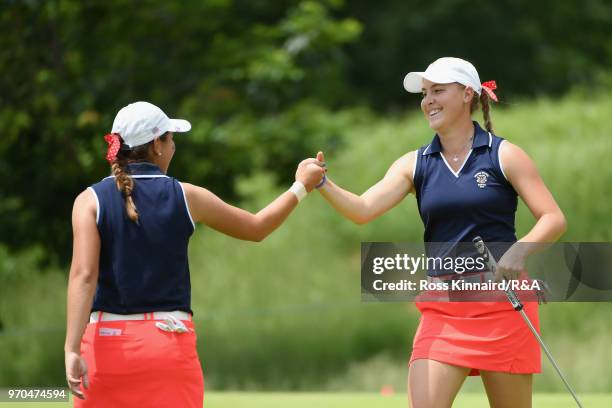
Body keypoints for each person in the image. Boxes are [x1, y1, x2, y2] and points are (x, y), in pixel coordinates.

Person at [314, 57, 566, 407]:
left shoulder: (504, 155)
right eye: (424, 93)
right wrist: (322, 182)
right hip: (444, 309)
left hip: (501, 305)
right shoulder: (414, 163)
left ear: (466, 94)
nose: (427, 100)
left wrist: (520, 250)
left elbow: (553, 218)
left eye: (438, 91)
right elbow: (362, 209)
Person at [64, 101, 325, 407]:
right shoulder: (187, 196)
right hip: (167, 345)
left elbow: (84, 277)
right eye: (170, 139)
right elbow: (257, 227)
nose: (173, 146)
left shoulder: (88, 200)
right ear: (157, 146)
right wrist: (301, 186)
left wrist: (71, 349)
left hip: (104, 347)